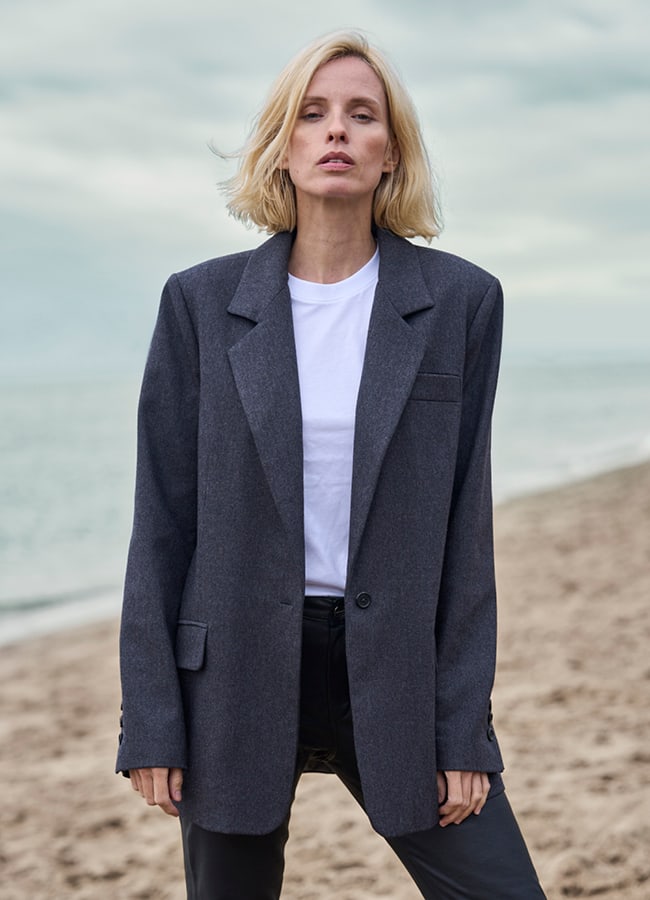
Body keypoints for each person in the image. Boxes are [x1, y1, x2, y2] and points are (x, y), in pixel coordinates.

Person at [117, 30, 546, 899]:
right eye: (312, 115)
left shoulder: (461, 302)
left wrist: (464, 730)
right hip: (232, 669)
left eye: (362, 115)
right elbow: (162, 521)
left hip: (392, 670)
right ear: (283, 148)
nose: (337, 132)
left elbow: (468, 527)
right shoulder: (199, 303)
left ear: (392, 152)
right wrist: (151, 722)